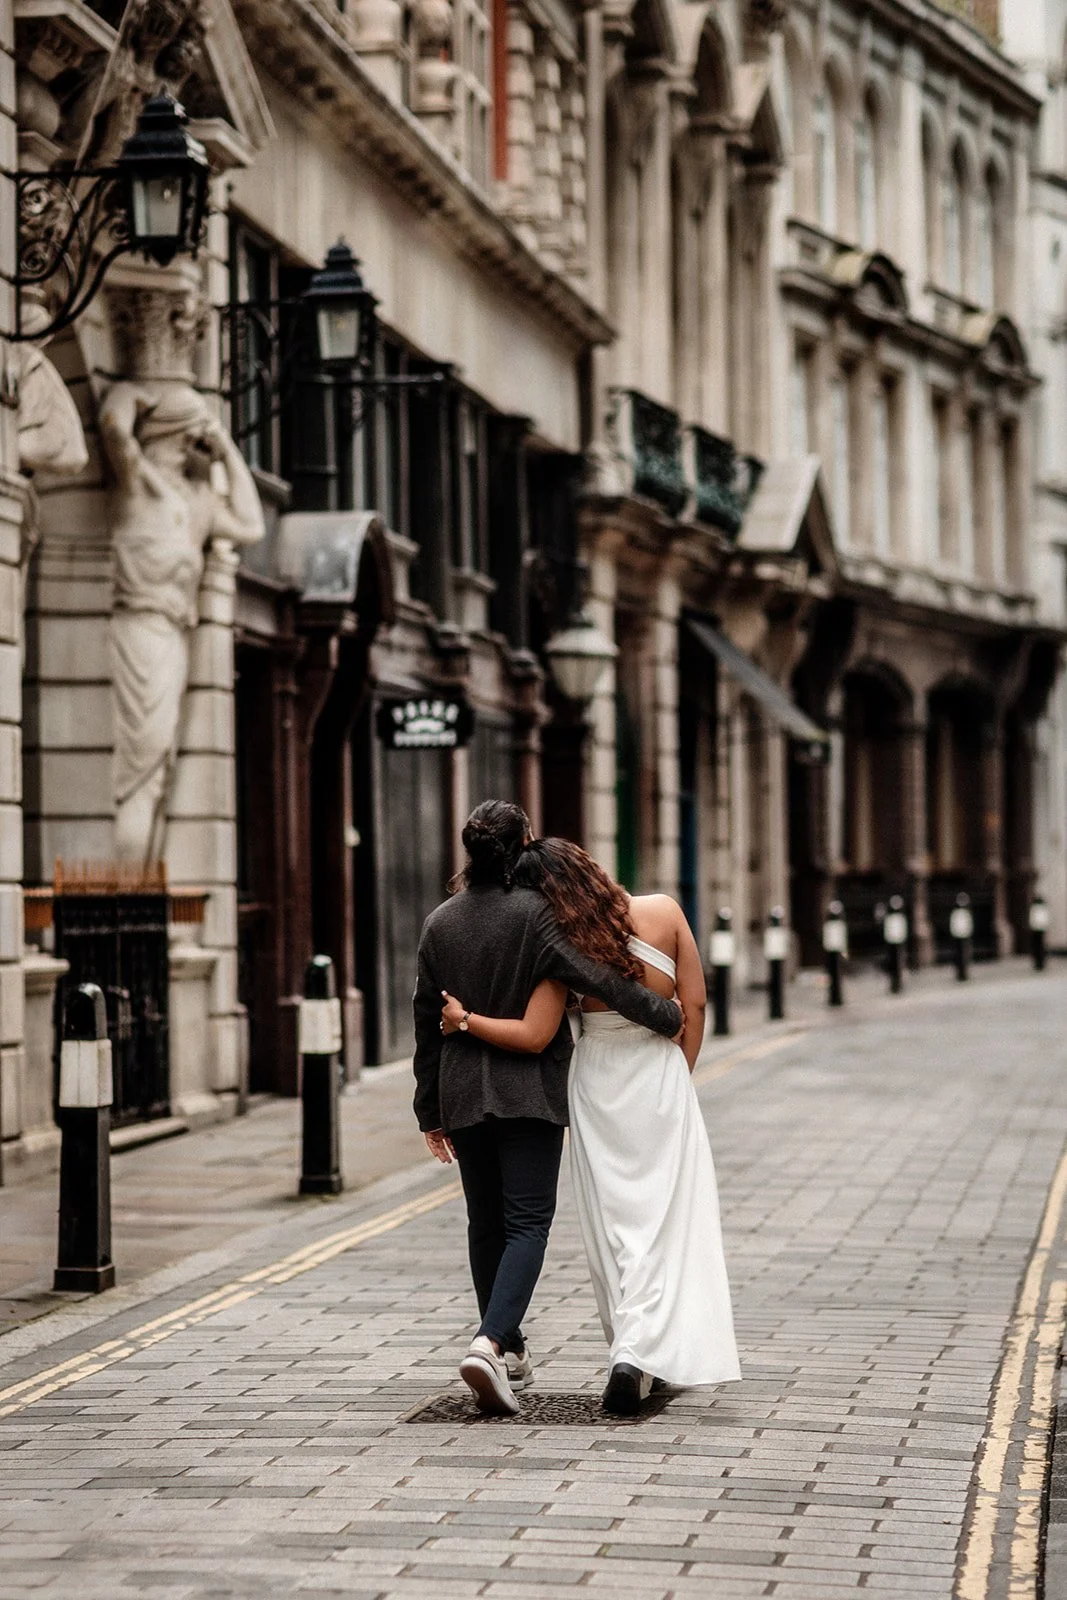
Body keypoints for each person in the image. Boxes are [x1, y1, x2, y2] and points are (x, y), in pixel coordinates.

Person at [441, 837, 741, 1415]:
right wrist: (679, 1075)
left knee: (616, 1223)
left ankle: (632, 1351)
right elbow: (695, 1007)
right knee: (666, 1221)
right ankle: (639, 1354)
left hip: (596, 1083)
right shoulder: (664, 911)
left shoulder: (562, 945)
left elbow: (540, 1028)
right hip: (658, 1076)